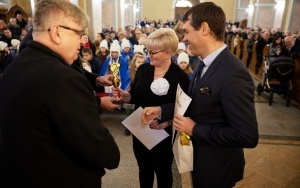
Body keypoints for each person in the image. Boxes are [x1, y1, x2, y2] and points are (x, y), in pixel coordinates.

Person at [0, 1, 120, 187]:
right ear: (57, 32)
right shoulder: (63, 79)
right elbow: (105, 152)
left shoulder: (15, 66)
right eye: (79, 33)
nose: (83, 41)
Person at [141, 2, 258, 188]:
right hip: (201, 160)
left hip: (217, 167)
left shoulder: (233, 73)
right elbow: (193, 104)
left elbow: (247, 135)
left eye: (187, 32)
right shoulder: (202, 64)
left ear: (204, 29)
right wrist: (161, 111)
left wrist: (195, 129)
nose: (184, 38)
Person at [112, 28, 190, 188]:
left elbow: (185, 107)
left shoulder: (179, 76)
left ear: (168, 53)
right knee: (144, 169)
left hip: (164, 133)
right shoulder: (143, 70)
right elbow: (134, 95)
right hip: (140, 128)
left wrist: (166, 122)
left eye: (153, 53)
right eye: (148, 51)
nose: (148, 56)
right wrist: (123, 96)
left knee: (163, 171)